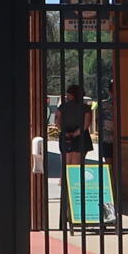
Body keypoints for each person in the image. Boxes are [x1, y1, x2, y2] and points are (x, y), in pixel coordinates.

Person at [54, 85, 92, 227]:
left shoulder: (63, 107)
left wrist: (65, 133)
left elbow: (57, 121)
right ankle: (75, 199)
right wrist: (76, 134)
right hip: (80, 138)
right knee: (76, 168)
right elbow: (86, 124)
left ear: (70, 94)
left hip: (65, 136)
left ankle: (65, 195)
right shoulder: (85, 108)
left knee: (66, 165)